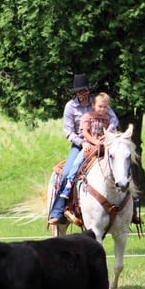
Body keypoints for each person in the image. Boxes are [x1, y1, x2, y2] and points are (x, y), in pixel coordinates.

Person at [49, 74, 118, 225]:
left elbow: (113, 118)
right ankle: (58, 211)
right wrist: (82, 142)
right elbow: (69, 132)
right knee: (67, 172)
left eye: (85, 90)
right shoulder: (70, 107)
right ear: (75, 93)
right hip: (81, 143)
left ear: (89, 89)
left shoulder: (98, 101)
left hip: (103, 141)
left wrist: (108, 133)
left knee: (121, 162)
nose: (83, 94)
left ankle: (129, 206)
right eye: (79, 91)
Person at [59, 92, 114, 199]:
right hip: (85, 143)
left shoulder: (107, 117)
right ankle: (68, 185)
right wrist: (90, 142)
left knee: (119, 159)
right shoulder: (85, 115)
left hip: (103, 144)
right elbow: (83, 132)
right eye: (100, 107)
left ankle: (128, 191)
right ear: (93, 106)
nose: (102, 109)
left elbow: (113, 122)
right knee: (76, 162)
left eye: (105, 107)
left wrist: (108, 135)